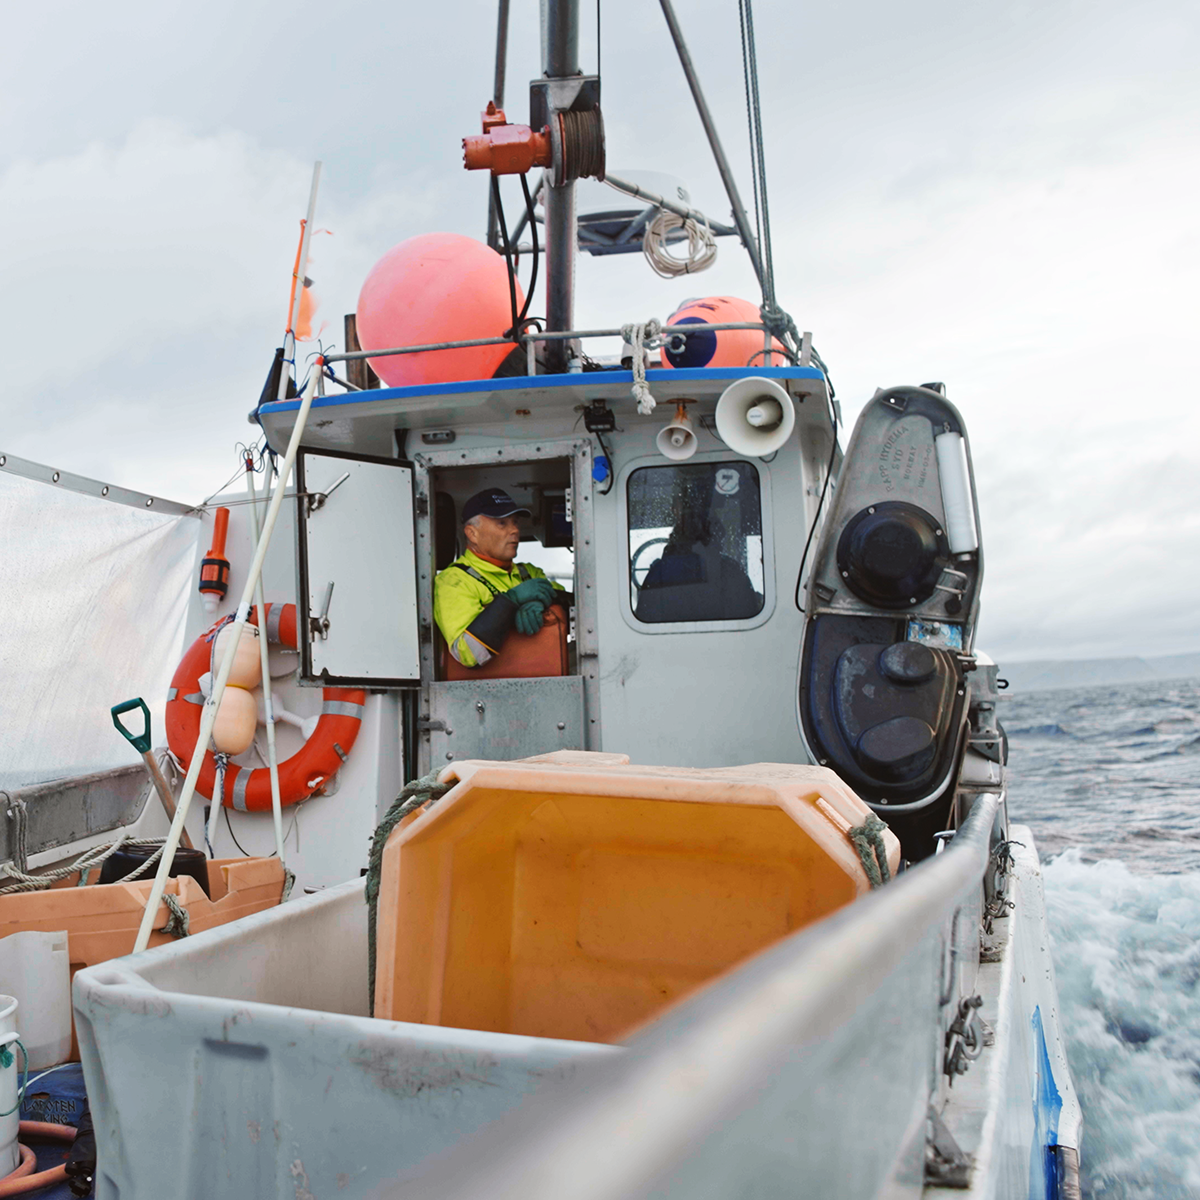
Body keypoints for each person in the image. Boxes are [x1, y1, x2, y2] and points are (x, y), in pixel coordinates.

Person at [434, 488, 570, 669]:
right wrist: (511, 602)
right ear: (472, 533)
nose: (514, 530)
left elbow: (571, 605)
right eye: (502, 523)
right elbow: (469, 653)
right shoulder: (453, 581)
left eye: (515, 522)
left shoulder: (529, 573)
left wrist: (543, 603)